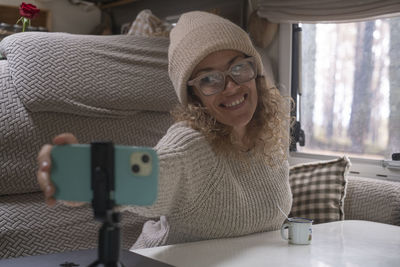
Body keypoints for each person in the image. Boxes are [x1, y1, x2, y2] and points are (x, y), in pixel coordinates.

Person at [36, 11, 292, 249]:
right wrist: (89, 174)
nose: (231, 86)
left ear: (255, 72)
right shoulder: (191, 145)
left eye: (238, 68)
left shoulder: (270, 140)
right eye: (209, 79)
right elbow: (154, 174)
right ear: (194, 97)